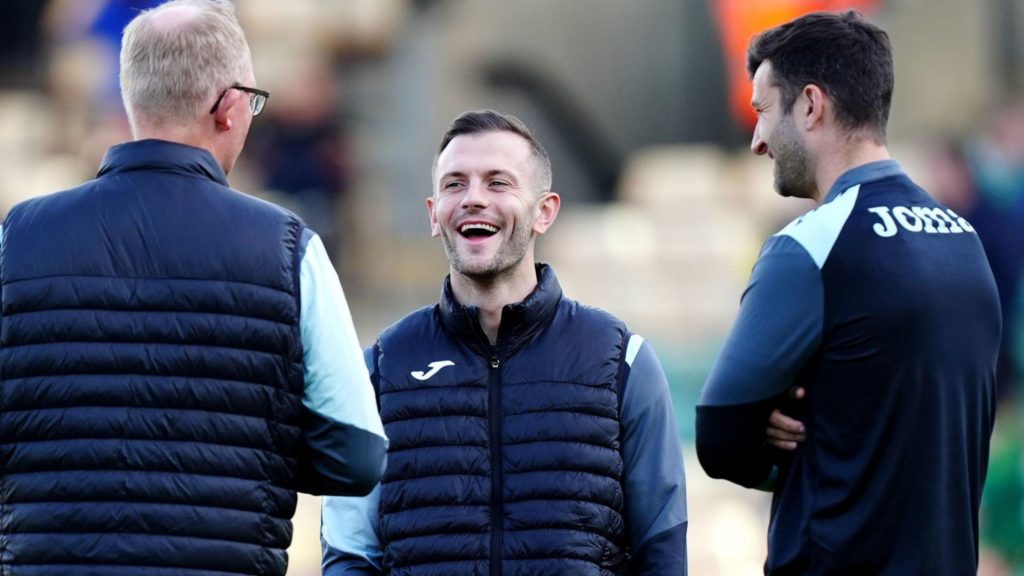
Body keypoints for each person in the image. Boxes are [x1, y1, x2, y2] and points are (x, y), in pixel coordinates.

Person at [0, 2, 386, 575]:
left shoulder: (19, 237)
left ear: (133, 98)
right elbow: (356, 455)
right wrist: (249, 446)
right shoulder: (288, 249)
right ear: (229, 107)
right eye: (254, 101)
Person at [695, 10, 1001, 576]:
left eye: (764, 111)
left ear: (811, 105)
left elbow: (718, 437)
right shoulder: (966, 242)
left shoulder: (811, 246)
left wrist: (784, 439)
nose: (758, 139)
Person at [321, 109, 688, 575]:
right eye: (455, 184)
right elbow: (350, 555)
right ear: (434, 215)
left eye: (498, 183)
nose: (474, 199)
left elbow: (662, 551)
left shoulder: (622, 363)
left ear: (544, 212)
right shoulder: (380, 369)